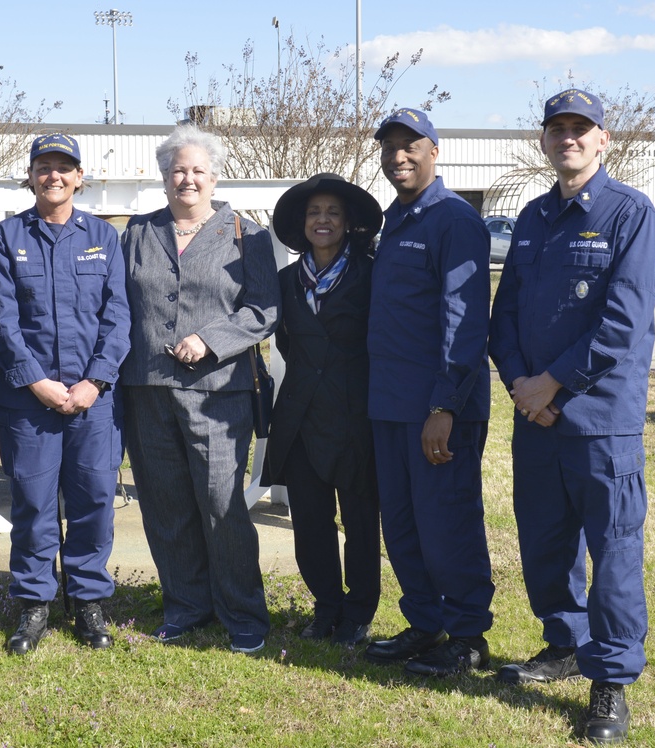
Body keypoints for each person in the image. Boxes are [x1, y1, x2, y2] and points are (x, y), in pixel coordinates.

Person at [489, 89, 655, 745]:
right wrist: (520, 386)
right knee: (545, 543)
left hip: (600, 421)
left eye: (580, 129)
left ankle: (610, 683)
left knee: (614, 553)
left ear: (602, 139)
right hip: (536, 418)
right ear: (544, 141)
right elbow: (503, 318)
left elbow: (622, 323)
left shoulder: (630, 214)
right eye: (557, 128)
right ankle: (564, 644)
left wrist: (552, 384)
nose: (568, 138)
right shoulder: (532, 217)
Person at [120, 124, 279, 655]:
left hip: (218, 392)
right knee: (165, 504)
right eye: (177, 170)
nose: (187, 179)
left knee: (220, 503)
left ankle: (242, 613)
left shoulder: (245, 233)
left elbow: (264, 309)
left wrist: (211, 340)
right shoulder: (139, 232)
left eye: (197, 170)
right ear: (163, 177)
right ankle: (187, 605)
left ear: (215, 177)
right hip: (147, 388)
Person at [0, 133, 131, 655]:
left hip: (95, 401)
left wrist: (94, 381)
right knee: (34, 502)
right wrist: (37, 381)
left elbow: (118, 317)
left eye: (64, 168)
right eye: (44, 167)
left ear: (80, 177)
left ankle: (87, 600)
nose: (54, 176)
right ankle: (34, 603)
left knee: (94, 501)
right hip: (29, 401)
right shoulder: (3, 237)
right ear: (31, 175)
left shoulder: (104, 237)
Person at [363, 109, 496, 676]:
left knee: (447, 524)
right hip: (389, 404)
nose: (399, 157)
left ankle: (467, 636)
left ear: (434, 150)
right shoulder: (394, 219)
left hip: (437, 408)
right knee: (403, 522)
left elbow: (464, 324)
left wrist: (444, 406)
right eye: (389, 147)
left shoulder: (453, 221)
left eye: (409, 146)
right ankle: (424, 622)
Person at [260, 173, 383, 646]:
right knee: (309, 522)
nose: (323, 220)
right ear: (302, 223)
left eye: (333, 212)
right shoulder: (285, 281)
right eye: (314, 213)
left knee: (358, 521)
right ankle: (325, 607)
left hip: (355, 418)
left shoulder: (371, 275)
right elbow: (289, 344)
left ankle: (358, 612)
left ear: (348, 222)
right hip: (300, 419)